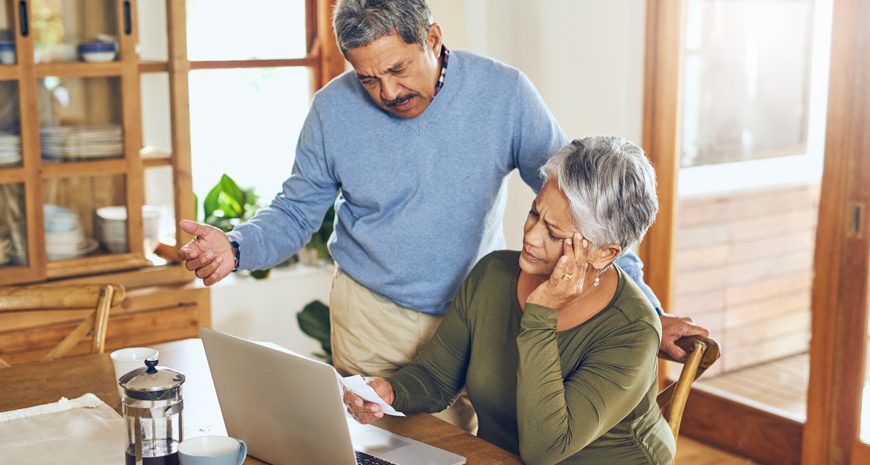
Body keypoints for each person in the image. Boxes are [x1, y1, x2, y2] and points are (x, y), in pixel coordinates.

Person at [177, 0, 707, 432]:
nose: (386, 92)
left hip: (480, 312)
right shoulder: (331, 111)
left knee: (476, 447)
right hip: (372, 318)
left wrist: (649, 313)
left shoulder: (505, 94)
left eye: (397, 69)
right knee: (389, 450)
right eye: (366, 78)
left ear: (432, 38)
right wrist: (236, 246)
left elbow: (587, 207)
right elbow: (295, 212)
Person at [344, 136, 675, 464]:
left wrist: (540, 314)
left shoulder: (633, 330)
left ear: (605, 252)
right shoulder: (493, 274)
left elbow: (545, 449)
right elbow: (437, 377)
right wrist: (390, 391)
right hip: (494, 459)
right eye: (534, 214)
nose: (530, 236)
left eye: (554, 234)